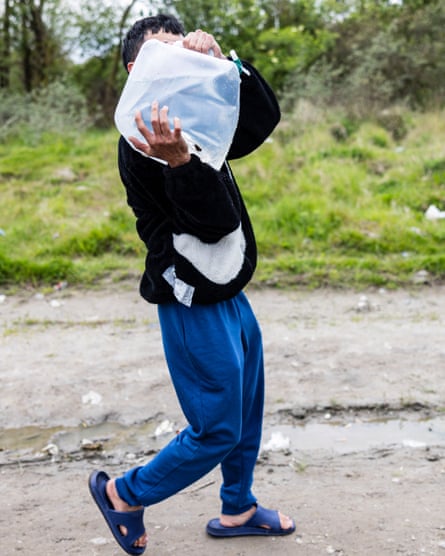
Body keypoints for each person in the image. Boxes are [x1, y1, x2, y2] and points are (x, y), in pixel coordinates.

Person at [88, 13, 295, 555]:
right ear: (137, 69)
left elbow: (260, 123)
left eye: (182, 53)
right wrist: (181, 164)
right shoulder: (143, 132)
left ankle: (239, 508)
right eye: (164, 56)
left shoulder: (196, 109)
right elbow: (212, 224)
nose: (177, 65)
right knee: (216, 428)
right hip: (189, 295)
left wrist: (225, 64)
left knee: (247, 407)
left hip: (227, 288)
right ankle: (123, 494)